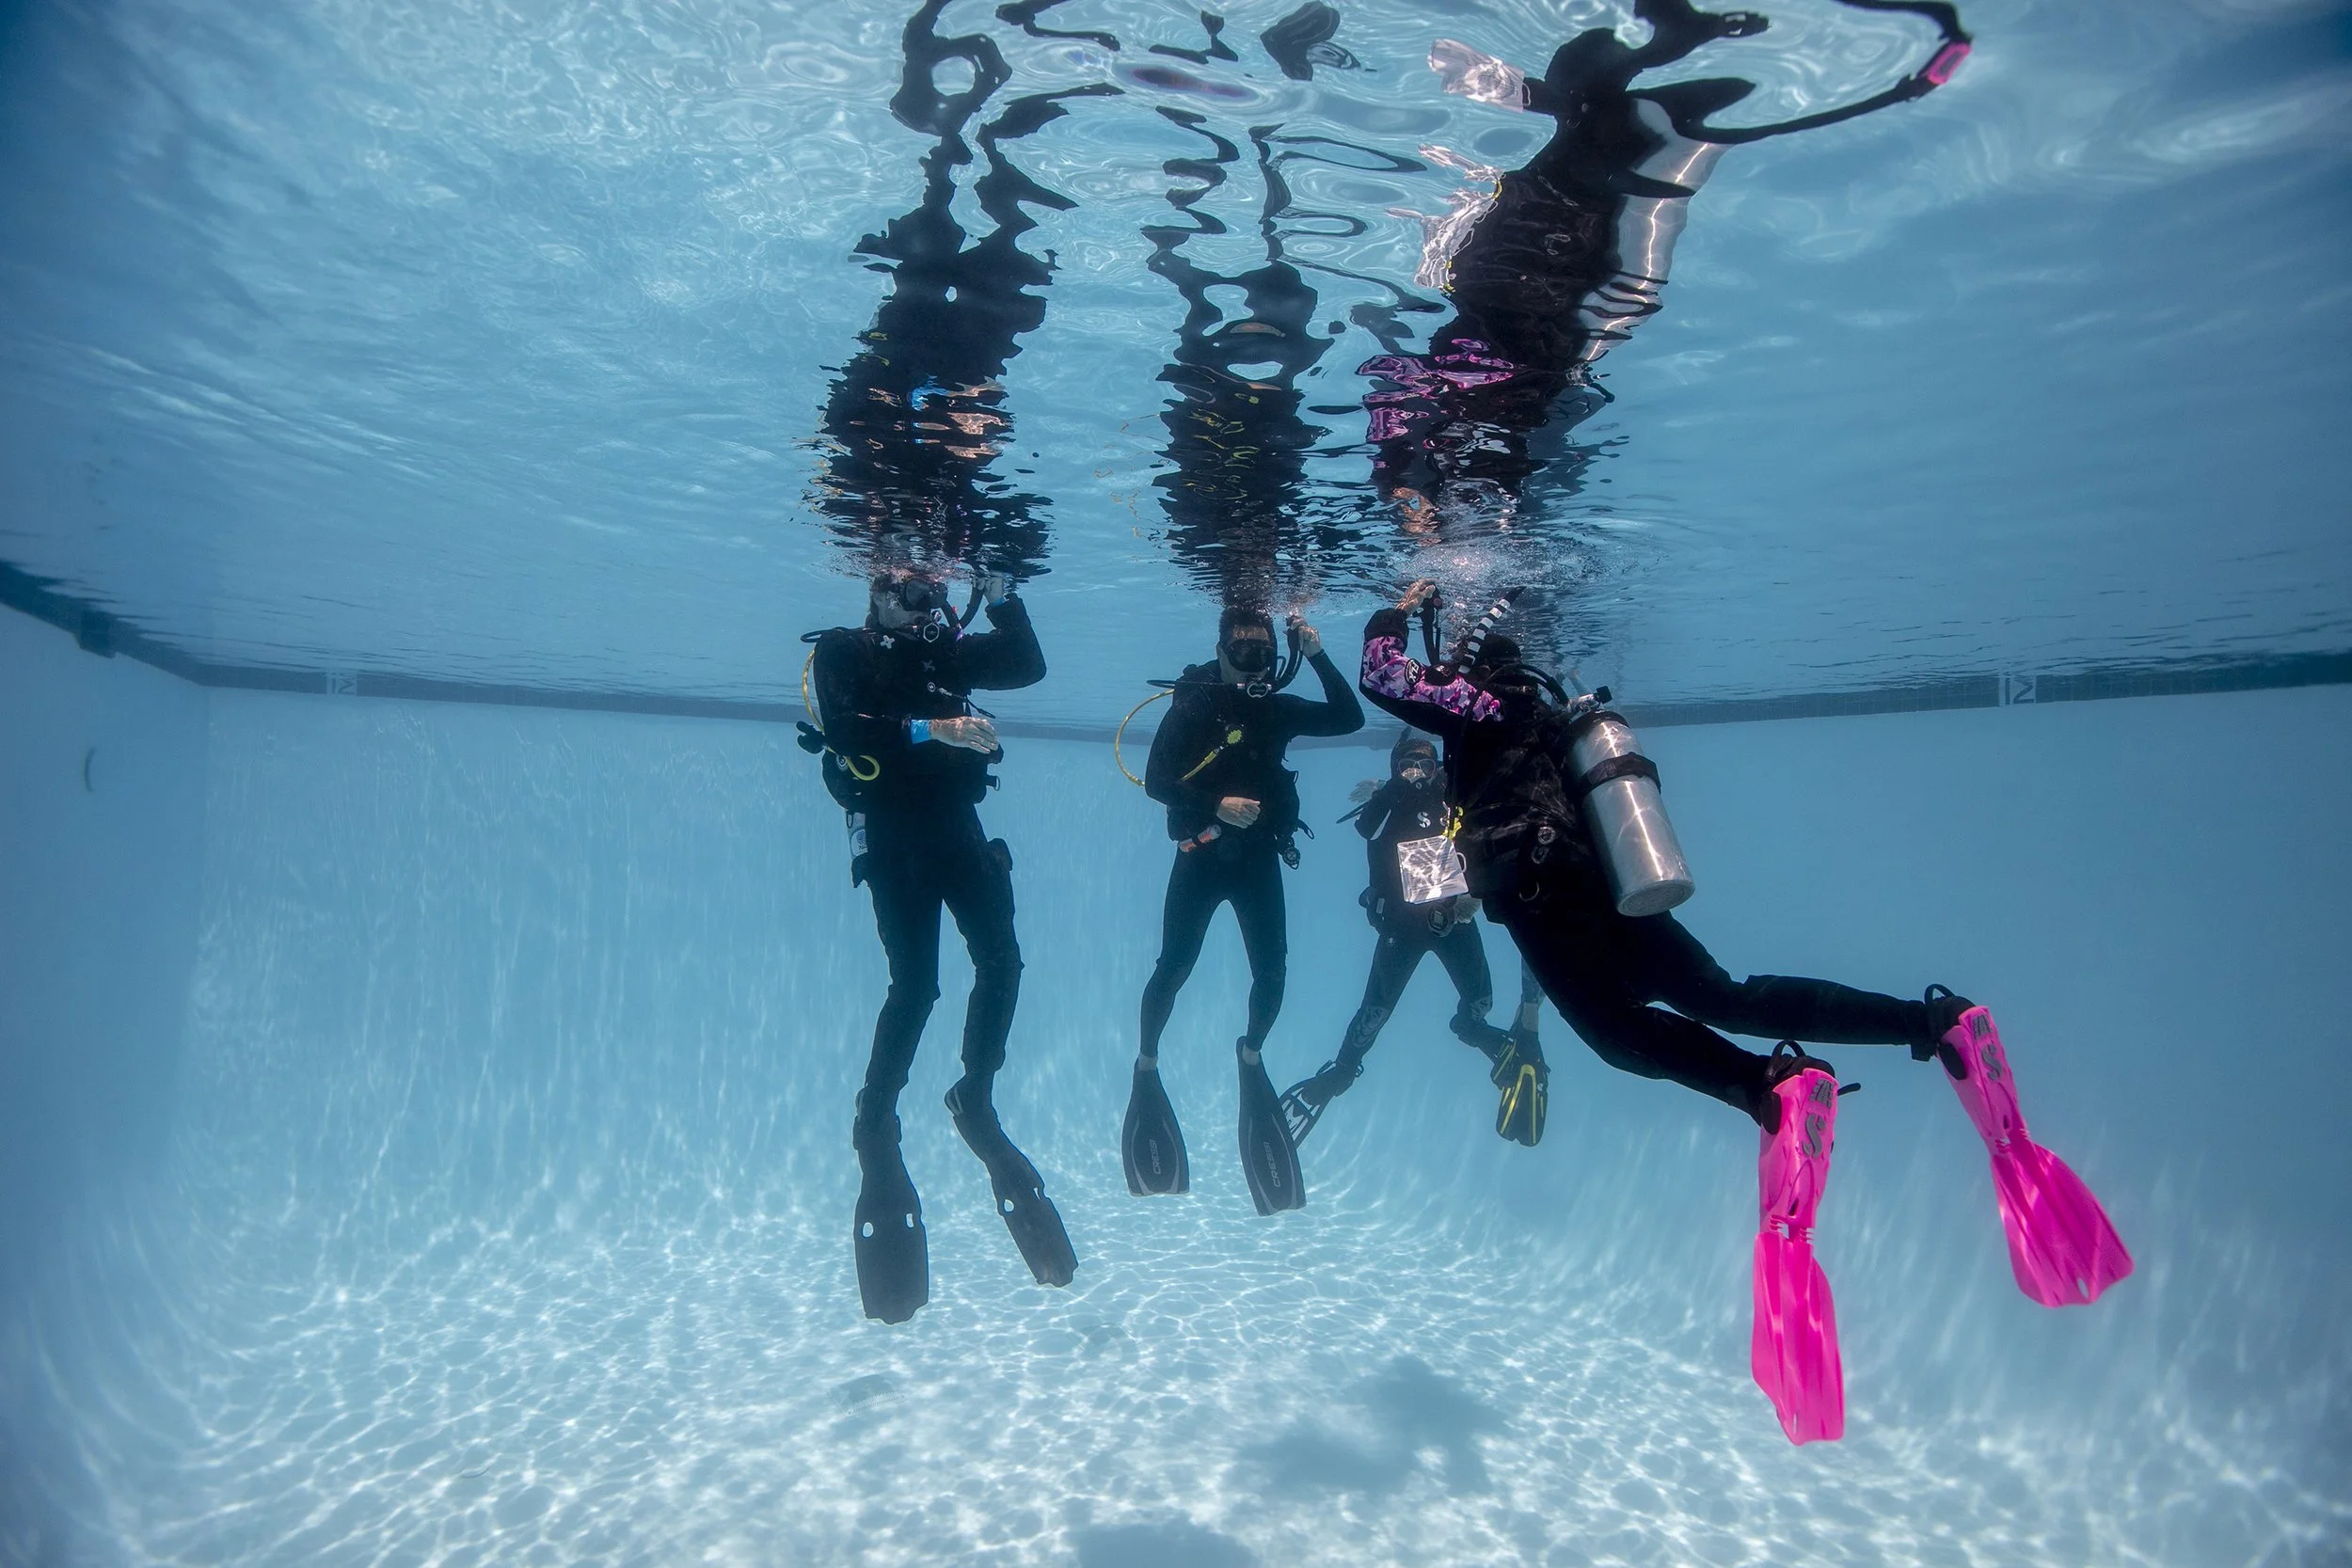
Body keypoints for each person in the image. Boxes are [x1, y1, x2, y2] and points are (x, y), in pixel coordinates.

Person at [1357, 579, 2129, 1443]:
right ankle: (1932, 1021)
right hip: (1605, 886)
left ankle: (1771, 1087)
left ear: (1472, 668)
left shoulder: (1477, 707)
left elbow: (1383, 674)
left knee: (1619, 1037)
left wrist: (1399, 603)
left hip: (1546, 899)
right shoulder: (1541, 720)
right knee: (1726, 993)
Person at [806, 567, 1074, 1323]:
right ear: (875, 594)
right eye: (908, 592)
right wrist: (935, 728)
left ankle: (975, 1090)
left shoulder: (948, 653)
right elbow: (846, 729)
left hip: (958, 827)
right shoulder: (844, 649)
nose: (926, 605)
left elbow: (1028, 664)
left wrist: (1006, 589)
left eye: (935, 592)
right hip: (894, 837)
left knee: (1003, 959)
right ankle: (876, 1115)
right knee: (916, 986)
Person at [1121, 607, 1363, 1214]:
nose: (1253, 662)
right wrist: (1215, 803)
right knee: (1173, 967)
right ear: (1221, 649)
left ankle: (1251, 1053)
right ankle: (1147, 1062)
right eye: (1242, 650)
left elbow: (1348, 716)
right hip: (1199, 857)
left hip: (1257, 861)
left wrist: (1315, 654)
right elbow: (1155, 780)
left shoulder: (1276, 706)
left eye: (1263, 652)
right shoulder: (1195, 704)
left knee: (1273, 973)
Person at [1279, 732, 1551, 1148]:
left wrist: (1468, 901)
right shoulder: (1385, 805)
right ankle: (1342, 1070)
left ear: (1437, 768)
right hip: (1402, 930)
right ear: (1394, 768)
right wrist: (1385, 792)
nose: (1417, 774)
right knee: (1374, 1013)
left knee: (1479, 1003)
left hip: (1453, 922)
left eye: (1425, 766)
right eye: (1407, 765)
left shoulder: (1450, 799)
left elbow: (1478, 844)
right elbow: (1367, 830)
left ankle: (1476, 1033)